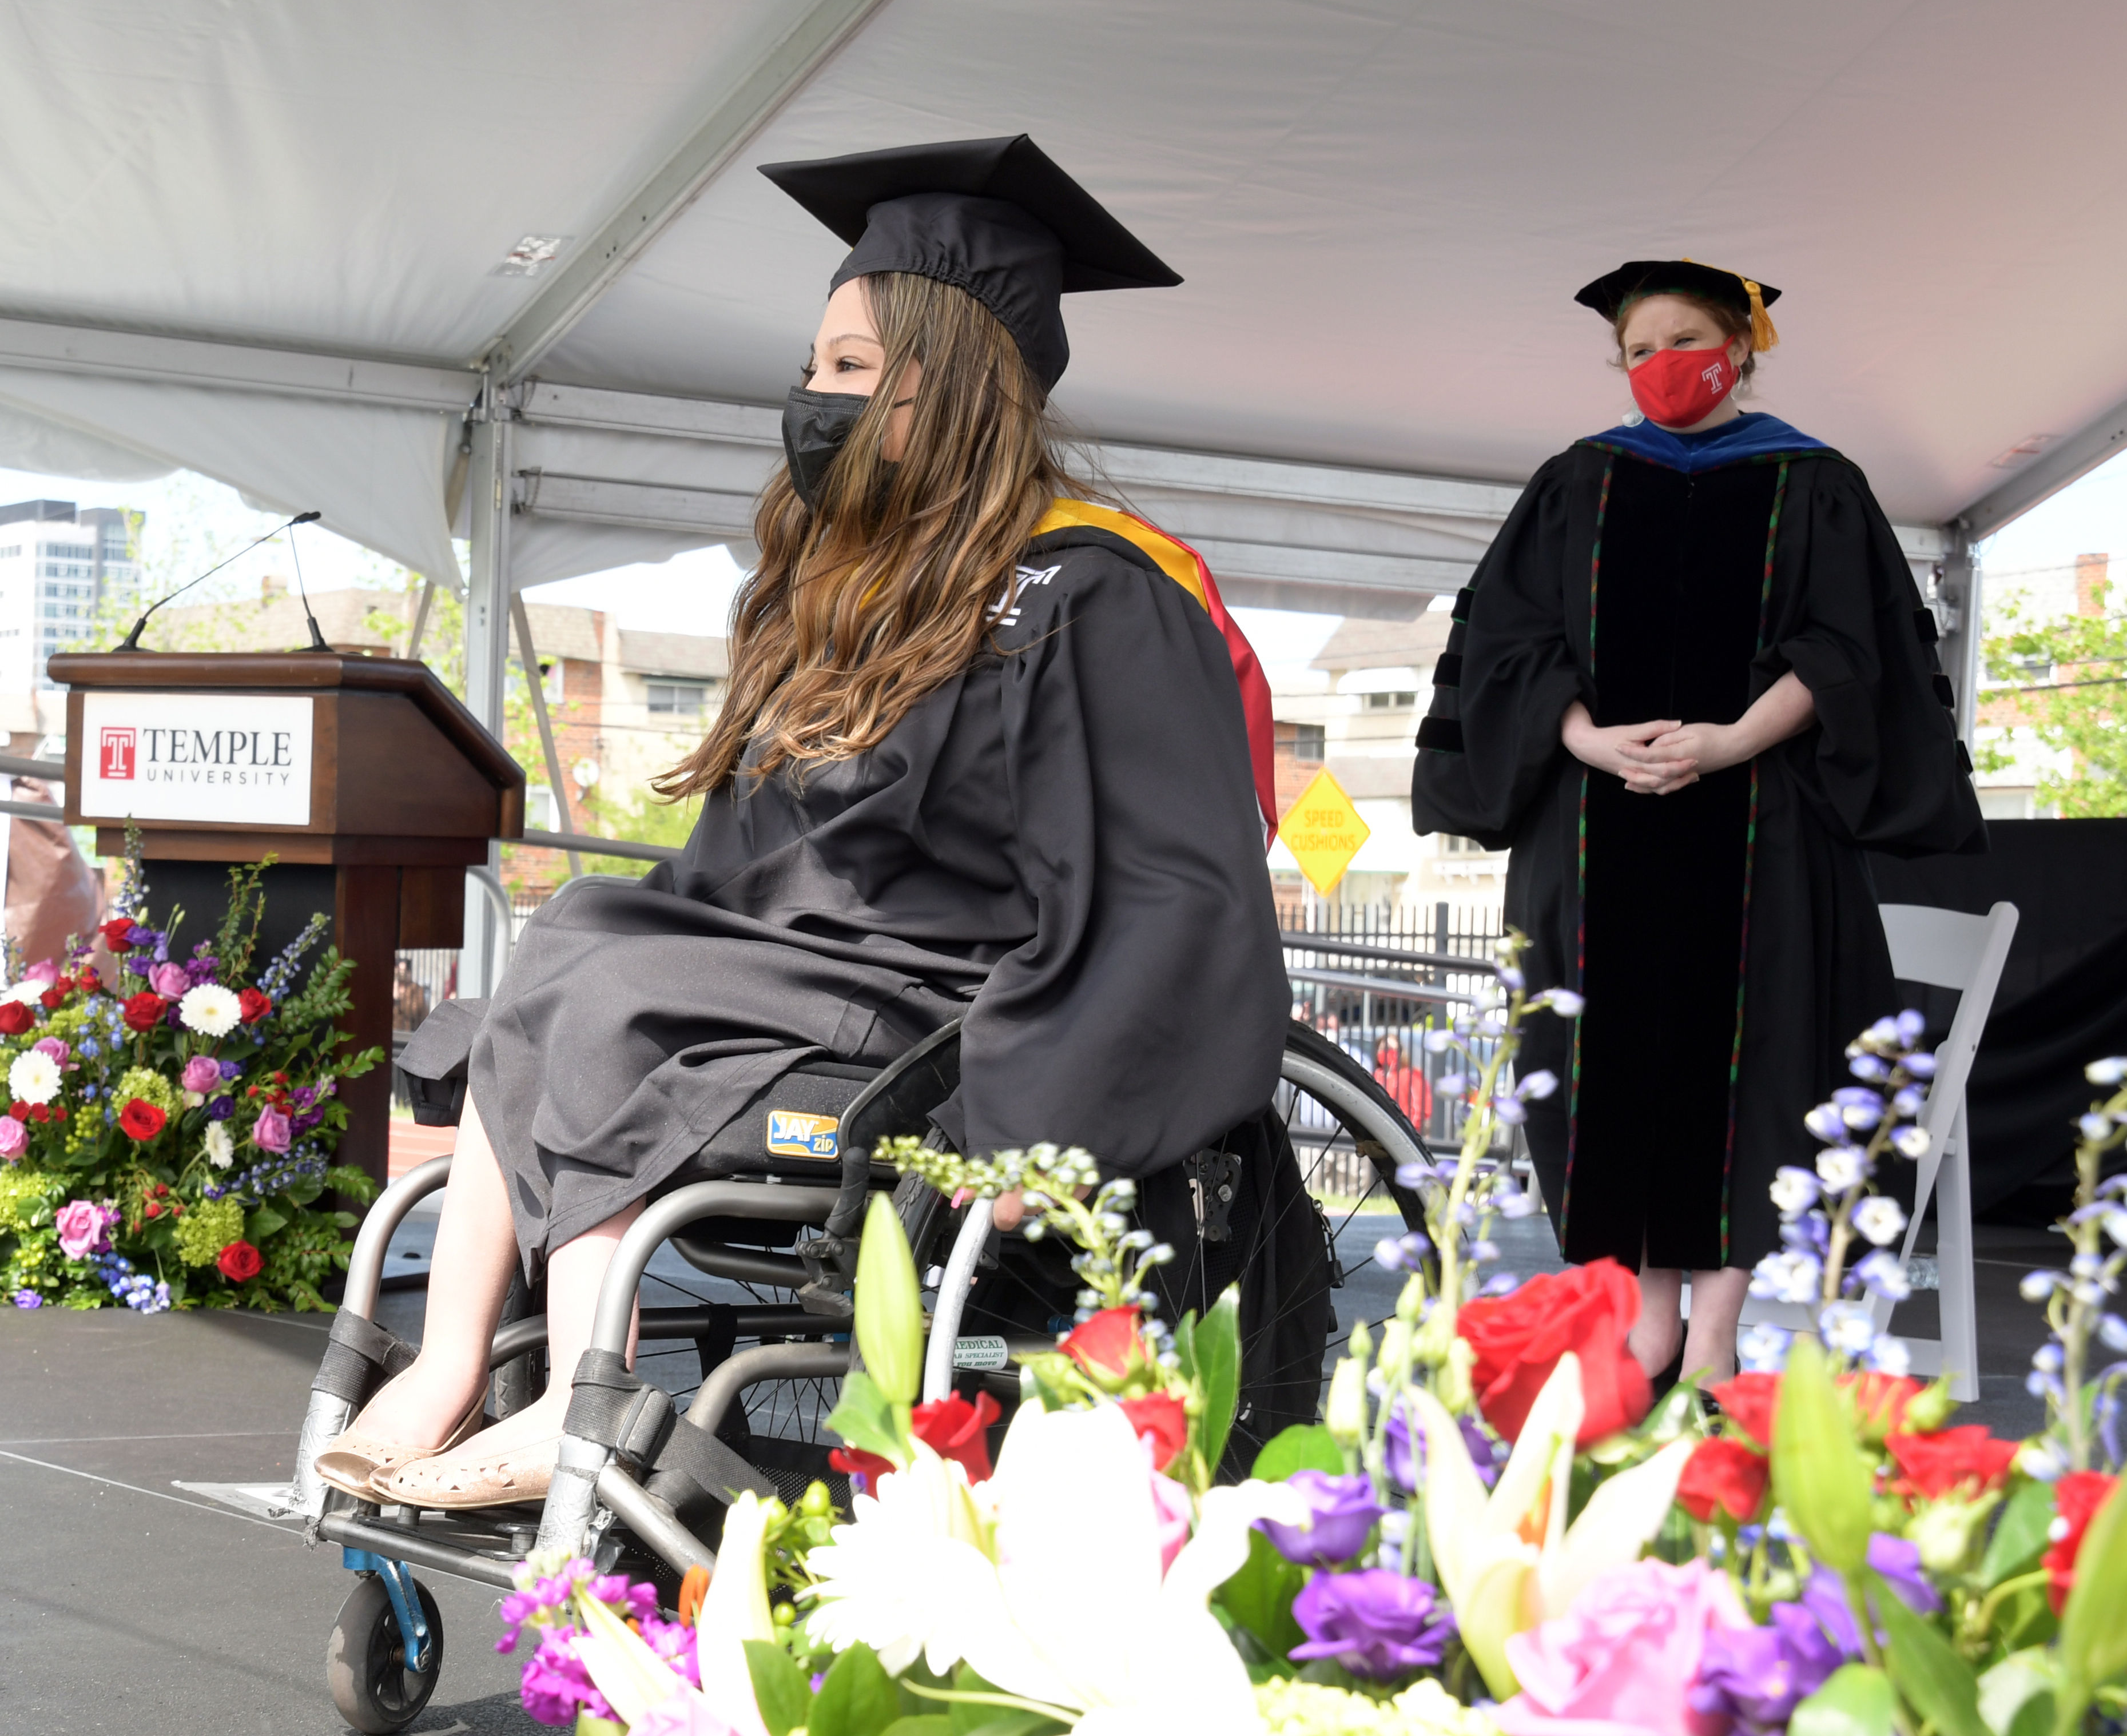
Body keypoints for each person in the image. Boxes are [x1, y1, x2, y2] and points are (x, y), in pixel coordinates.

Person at [318, 136, 1289, 1507]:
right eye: (815, 365)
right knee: (573, 935)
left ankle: (591, 1390)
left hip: (942, 1009)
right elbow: (747, 859)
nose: (810, 396)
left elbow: (1163, 889)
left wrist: (1035, 1116)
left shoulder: (1094, 596)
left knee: (610, 981)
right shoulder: (854, 586)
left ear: (944, 383)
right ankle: (452, 1358)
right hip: (796, 974)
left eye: (846, 367)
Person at [1411, 260, 1981, 1385]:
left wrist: (1729, 741)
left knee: (1755, 1066)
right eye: (1636, 351)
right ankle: (1643, 1321)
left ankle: (1712, 1341)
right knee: (1608, 1065)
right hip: (1596, 825)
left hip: (1766, 829)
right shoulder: (1577, 482)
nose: (1659, 367)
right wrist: (1584, 739)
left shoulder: (1815, 481)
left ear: (1741, 346)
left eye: (1682, 341)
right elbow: (1510, 649)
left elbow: (1847, 652)